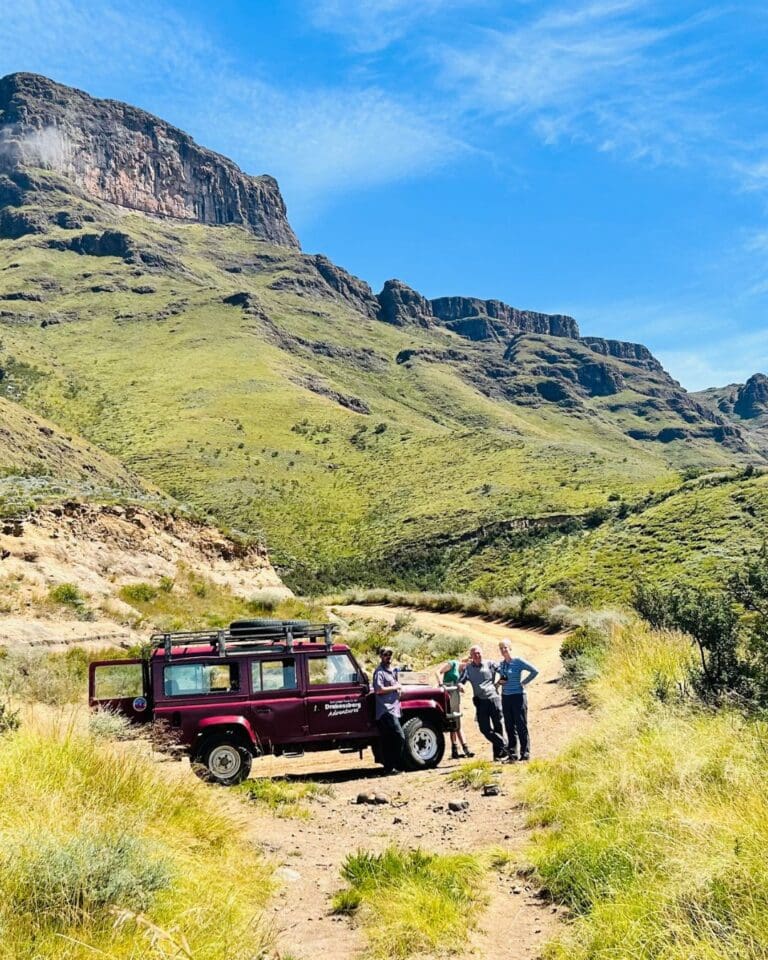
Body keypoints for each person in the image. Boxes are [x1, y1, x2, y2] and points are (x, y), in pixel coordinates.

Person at [459, 645, 507, 761]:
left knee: (498, 726)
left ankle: (499, 755)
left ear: (482, 653)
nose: (477, 655)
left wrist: (499, 683)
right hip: (480, 701)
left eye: (479, 653)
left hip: (494, 699)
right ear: (471, 656)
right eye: (474, 654)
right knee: (484, 728)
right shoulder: (468, 668)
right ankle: (504, 744)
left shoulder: (490, 663)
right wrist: (460, 685)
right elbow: (461, 680)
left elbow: (503, 672)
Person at [496, 641, 538, 761]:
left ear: (510, 648)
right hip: (506, 697)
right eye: (501, 648)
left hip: (518, 696)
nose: (504, 650)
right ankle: (513, 753)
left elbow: (535, 671)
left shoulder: (518, 661)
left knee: (521, 725)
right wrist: (498, 684)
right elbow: (504, 677)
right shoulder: (502, 664)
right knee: (509, 725)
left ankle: (525, 753)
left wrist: (523, 683)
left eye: (505, 648)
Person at [372, 646, 406, 774]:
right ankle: (394, 765)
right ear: (381, 656)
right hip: (386, 710)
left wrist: (398, 689)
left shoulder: (391, 671)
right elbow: (378, 689)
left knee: (389, 740)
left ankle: (388, 768)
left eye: (390, 654)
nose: (388, 657)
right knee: (399, 737)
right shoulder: (379, 672)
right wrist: (395, 687)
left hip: (394, 709)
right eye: (386, 654)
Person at [437, 657, 474, 760]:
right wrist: (441, 684)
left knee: (456, 720)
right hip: (447, 691)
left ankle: (459, 748)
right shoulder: (453, 664)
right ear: (466, 661)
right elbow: (438, 672)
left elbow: (460, 682)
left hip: (454, 694)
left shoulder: (463, 672)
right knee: (452, 720)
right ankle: (459, 748)